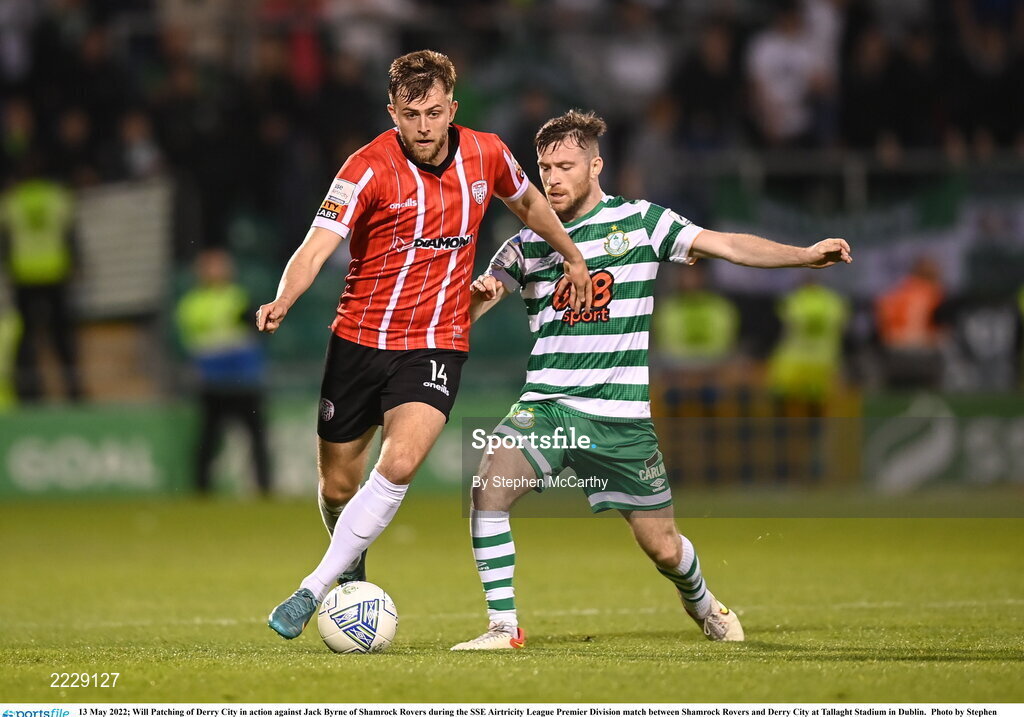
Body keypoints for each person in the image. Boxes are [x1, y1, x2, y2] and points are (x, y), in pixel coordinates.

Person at [453, 110, 851, 650]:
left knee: (663, 547)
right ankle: (503, 626)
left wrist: (801, 256)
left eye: (565, 166)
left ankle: (705, 604)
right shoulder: (526, 242)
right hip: (547, 406)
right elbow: (478, 303)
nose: (552, 178)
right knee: (488, 490)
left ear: (596, 165)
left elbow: (726, 245)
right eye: (544, 167)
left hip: (620, 419)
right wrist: (475, 296)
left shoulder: (640, 224)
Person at [259, 50, 592, 640]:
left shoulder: (488, 152)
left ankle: (313, 587)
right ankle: (349, 557)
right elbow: (315, 246)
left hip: (437, 340)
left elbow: (530, 203)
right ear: (392, 111)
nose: (424, 126)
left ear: (452, 109)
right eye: (411, 114)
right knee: (338, 485)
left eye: (434, 112)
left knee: (402, 462)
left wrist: (570, 253)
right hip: (359, 340)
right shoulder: (365, 168)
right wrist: (284, 298)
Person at [175, 248, 271, 496]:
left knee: (257, 438)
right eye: (213, 266)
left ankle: (264, 488)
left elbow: (253, 324)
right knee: (208, 439)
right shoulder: (193, 303)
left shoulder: (238, 296)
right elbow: (194, 338)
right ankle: (202, 490)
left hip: (245, 380)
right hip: (214, 382)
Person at [0, 158, 83, 402]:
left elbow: (5, 241)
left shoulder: (11, 201)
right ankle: (73, 389)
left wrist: (8, 268)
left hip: (23, 274)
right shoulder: (58, 196)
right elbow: (71, 234)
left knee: (25, 337)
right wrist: (76, 263)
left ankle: (29, 392)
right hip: (55, 271)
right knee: (61, 335)